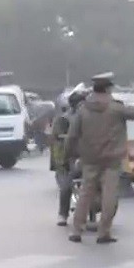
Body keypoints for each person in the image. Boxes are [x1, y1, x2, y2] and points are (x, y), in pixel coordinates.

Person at [64, 75, 134, 244]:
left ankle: (77, 230)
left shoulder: (83, 109)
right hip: (112, 159)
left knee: (85, 193)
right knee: (109, 195)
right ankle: (103, 232)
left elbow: (72, 135)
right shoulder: (115, 108)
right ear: (107, 89)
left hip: (89, 158)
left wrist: (69, 154)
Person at [51, 88, 86, 226]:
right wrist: (63, 160)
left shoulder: (92, 117)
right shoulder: (63, 119)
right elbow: (57, 141)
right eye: (81, 104)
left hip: (90, 156)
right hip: (70, 158)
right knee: (66, 186)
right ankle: (63, 214)